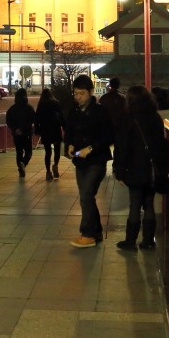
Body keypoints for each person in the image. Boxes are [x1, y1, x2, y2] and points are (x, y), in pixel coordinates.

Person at [113, 86, 169, 251]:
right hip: (152, 169)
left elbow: (122, 146)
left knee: (135, 204)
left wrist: (119, 170)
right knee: (149, 204)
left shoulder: (128, 118)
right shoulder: (155, 117)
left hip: (134, 168)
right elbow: (161, 144)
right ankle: (148, 241)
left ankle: (130, 241)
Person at [63, 74, 114, 248]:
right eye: (76, 94)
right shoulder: (73, 111)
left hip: (97, 160)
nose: (78, 97)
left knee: (85, 196)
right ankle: (97, 231)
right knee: (88, 197)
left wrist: (90, 148)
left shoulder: (100, 111)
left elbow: (108, 135)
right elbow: (68, 131)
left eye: (82, 94)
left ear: (91, 92)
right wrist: (69, 145)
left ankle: (87, 234)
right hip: (79, 161)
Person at [34, 88, 65, 180]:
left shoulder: (41, 104)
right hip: (55, 129)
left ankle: (48, 172)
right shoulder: (56, 103)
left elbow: (37, 118)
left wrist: (37, 130)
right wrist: (64, 126)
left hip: (45, 130)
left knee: (48, 152)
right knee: (57, 150)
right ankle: (55, 165)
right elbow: (61, 115)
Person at [5, 88, 36, 178]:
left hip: (16, 134)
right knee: (28, 152)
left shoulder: (12, 109)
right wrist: (24, 128)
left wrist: (15, 129)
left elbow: (9, 121)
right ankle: (23, 163)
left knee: (19, 152)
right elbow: (33, 119)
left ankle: (20, 168)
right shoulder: (29, 108)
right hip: (26, 134)